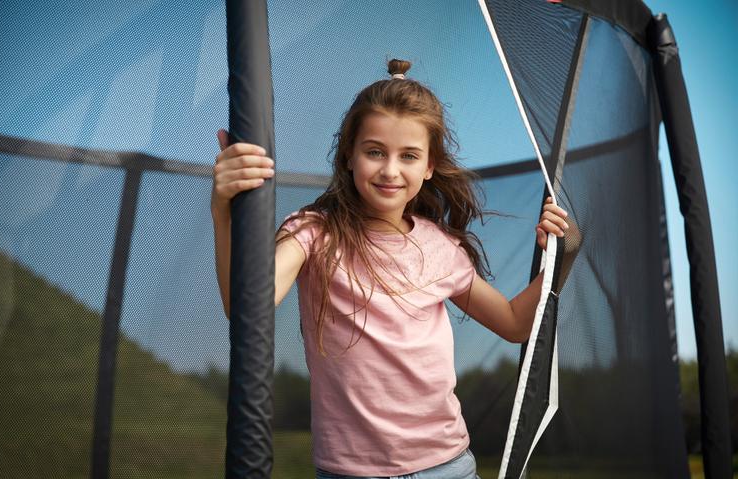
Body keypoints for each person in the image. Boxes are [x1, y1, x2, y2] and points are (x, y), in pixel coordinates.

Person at [211, 59, 578, 479]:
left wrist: (561, 256)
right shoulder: (314, 233)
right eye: (374, 152)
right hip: (350, 472)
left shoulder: (440, 246)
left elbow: (514, 324)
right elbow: (246, 308)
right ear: (349, 156)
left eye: (408, 156)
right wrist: (224, 211)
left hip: (447, 466)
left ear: (429, 166)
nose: (390, 170)